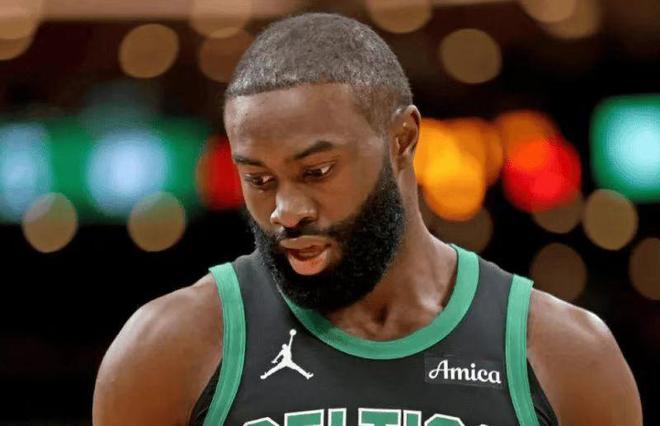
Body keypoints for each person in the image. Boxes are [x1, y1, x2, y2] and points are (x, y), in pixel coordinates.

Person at [93, 13, 642, 426]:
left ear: (402, 139)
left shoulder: (564, 354)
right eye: (258, 179)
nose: (285, 210)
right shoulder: (169, 347)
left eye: (316, 171)